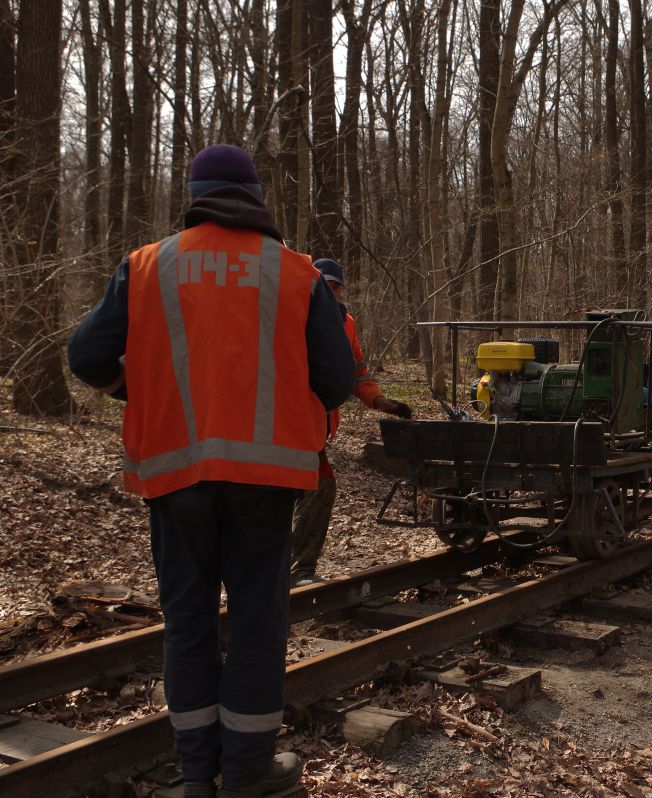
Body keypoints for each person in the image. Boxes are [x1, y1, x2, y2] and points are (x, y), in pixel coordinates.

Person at [68, 145, 355, 798]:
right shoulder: (297, 274)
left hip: (176, 472)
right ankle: (248, 774)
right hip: (267, 477)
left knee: (189, 620)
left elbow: (85, 356)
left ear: (194, 193)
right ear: (256, 197)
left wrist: (134, 390)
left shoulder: (147, 265)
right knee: (257, 621)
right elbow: (337, 379)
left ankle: (198, 774)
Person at [290, 258, 412, 586]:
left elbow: (356, 368)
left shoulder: (346, 323)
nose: (328, 292)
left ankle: (294, 571)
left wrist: (379, 401)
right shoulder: (293, 314)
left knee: (314, 490)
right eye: (322, 285)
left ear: (340, 289)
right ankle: (295, 571)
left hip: (318, 425)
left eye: (333, 287)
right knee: (312, 488)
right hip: (291, 423)